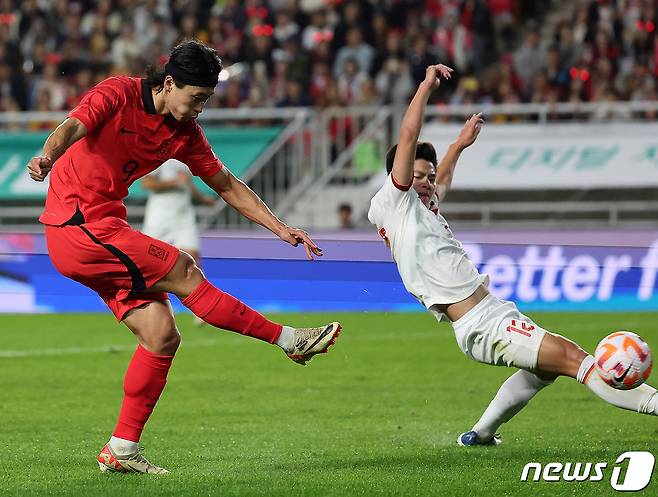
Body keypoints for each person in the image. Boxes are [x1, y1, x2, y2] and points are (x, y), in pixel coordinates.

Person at [27, 40, 342, 474]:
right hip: (78, 226)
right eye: (196, 98)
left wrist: (281, 228)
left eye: (207, 100)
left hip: (101, 230)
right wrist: (47, 155)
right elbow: (71, 128)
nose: (200, 109)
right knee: (183, 269)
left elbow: (227, 185)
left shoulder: (184, 133)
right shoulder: (117, 93)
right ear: (169, 82)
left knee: (161, 335)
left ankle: (121, 450)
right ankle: (289, 340)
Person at [367, 63, 657, 448]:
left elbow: (444, 179)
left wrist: (456, 146)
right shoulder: (396, 199)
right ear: (398, 174)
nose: (427, 181)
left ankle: (480, 435)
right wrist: (425, 86)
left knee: (543, 372)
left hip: (491, 313)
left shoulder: (422, 210)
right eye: (418, 174)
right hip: (480, 322)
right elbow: (408, 134)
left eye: (429, 175)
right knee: (576, 359)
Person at [141, 158, 213, 327]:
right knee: (148, 263)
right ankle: (135, 301)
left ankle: (202, 309)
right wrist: (174, 182)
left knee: (193, 258)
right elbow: (147, 183)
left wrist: (202, 199)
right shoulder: (158, 158)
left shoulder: (183, 159)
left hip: (184, 217)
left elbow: (187, 185)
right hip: (159, 218)